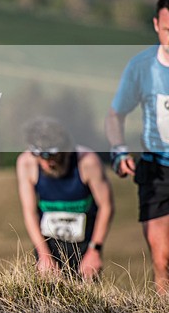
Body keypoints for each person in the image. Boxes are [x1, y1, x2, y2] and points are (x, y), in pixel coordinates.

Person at [106, 0, 169, 294]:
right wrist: (119, 153)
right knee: (162, 258)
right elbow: (115, 115)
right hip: (157, 171)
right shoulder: (141, 67)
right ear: (157, 25)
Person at [16, 117, 114, 279]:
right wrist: (44, 255)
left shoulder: (87, 162)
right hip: (48, 242)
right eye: (41, 156)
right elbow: (29, 212)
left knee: (86, 297)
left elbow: (106, 206)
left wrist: (94, 250)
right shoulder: (26, 163)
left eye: (54, 156)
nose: (48, 163)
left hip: (84, 243)